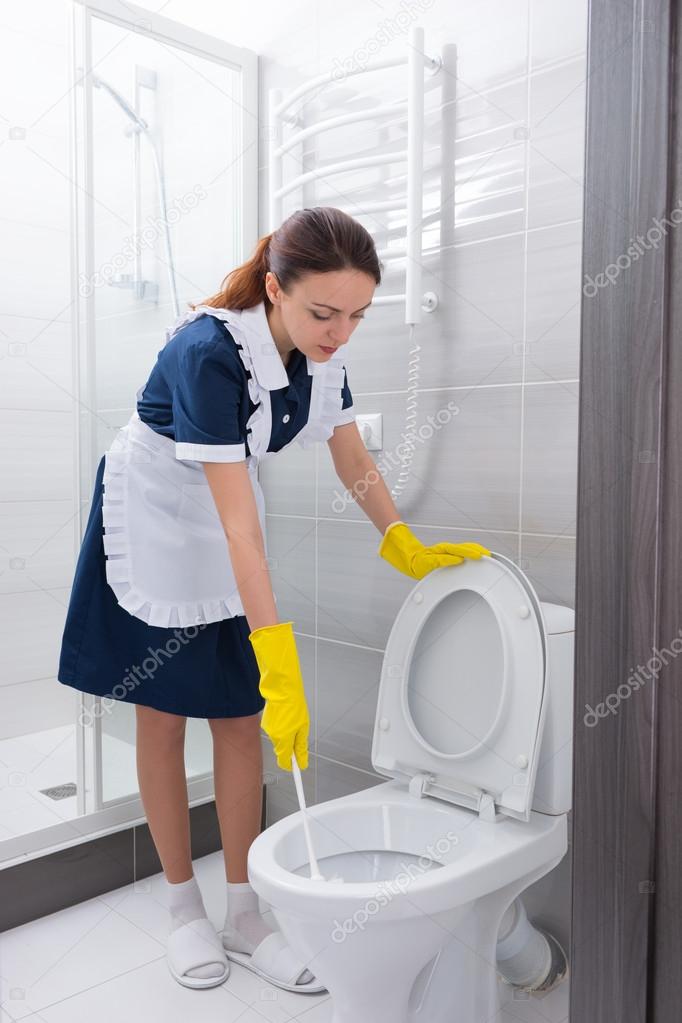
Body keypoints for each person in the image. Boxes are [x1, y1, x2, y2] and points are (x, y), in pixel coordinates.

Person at [57, 205, 491, 991]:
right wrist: (279, 654)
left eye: (357, 314)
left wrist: (401, 539)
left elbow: (350, 453)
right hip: (155, 517)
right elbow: (240, 531)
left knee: (240, 718)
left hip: (223, 522)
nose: (341, 331)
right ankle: (184, 907)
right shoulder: (207, 353)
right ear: (273, 289)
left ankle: (245, 913)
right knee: (162, 715)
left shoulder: (324, 352)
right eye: (324, 312)